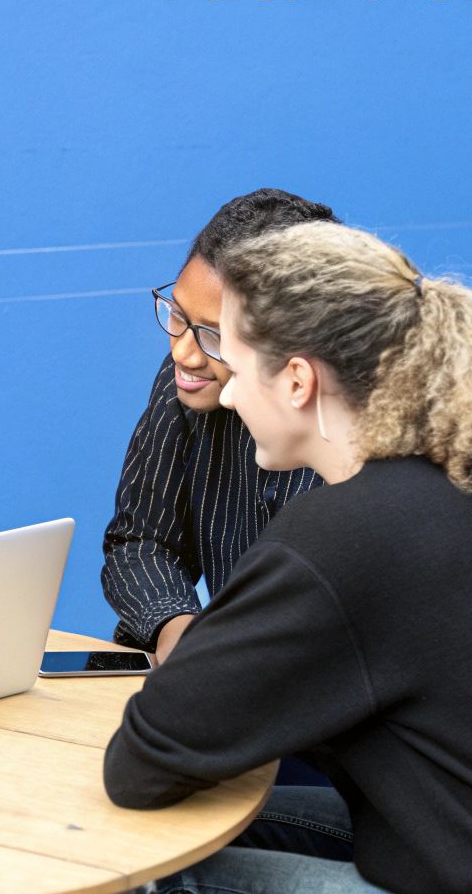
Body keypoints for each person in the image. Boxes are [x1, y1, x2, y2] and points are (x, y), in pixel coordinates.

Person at [103, 222, 472, 893]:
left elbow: (142, 761)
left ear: (298, 381)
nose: (233, 395)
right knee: (233, 821)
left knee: (143, 874)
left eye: (238, 370)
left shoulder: (346, 533)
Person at [102, 188, 335, 663]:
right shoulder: (190, 380)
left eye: (214, 335)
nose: (182, 353)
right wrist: (178, 630)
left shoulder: (358, 458)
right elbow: (140, 539)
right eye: (177, 315)